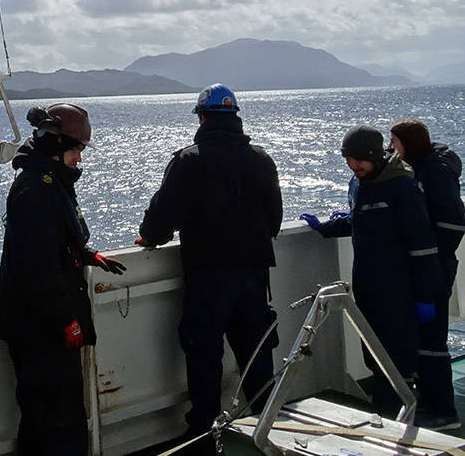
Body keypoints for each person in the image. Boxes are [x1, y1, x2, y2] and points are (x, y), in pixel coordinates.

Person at [137, 84, 283, 440]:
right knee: (257, 356)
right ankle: (266, 431)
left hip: (209, 275)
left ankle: (205, 433)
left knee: (204, 355)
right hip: (253, 274)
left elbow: (162, 215)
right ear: (235, 117)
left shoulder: (190, 159)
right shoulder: (261, 158)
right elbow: (275, 220)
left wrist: (152, 237)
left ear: (202, 117)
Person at [0, 103, 126, 456]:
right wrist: (67, 320)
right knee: (55, 420)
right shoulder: (37, 190)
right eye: (77, 149)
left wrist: (86, 254)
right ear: (56, 145)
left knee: (50, 415)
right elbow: (36, 267)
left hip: (39, 327)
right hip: (41, 332)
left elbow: (54, 241)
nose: (80, 158)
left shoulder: (49, 183)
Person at [299, 125, 443, 419]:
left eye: (359, 160)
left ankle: (397, 419)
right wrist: (326, 228)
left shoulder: (402, 187)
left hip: (398, 290)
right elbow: (359, 221)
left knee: (397, 359)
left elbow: (422, 244)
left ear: (376, 156)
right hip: (367, 287)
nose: (354, 166)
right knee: (373, 357)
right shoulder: (357, 185)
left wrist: (425, 295)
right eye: (348, 160)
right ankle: (384, 414)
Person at [389, 120, 465, 429]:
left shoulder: (435, 172)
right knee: (420, 340)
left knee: (432, 343)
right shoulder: (417, 169)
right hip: (419, 270)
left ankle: (443, 410)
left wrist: (432, 259)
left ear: (410, 143)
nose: (390, 148)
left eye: (394, 142)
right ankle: (426, 402)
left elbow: (454, 221)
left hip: (432, 271)